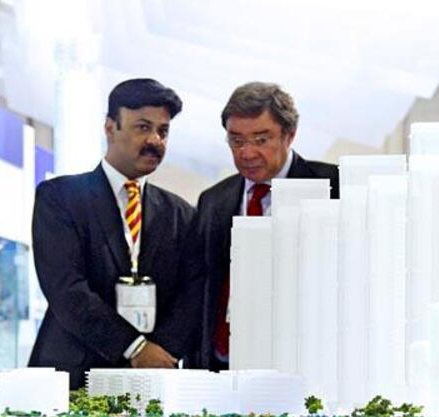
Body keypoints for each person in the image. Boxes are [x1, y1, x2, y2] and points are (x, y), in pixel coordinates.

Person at [29, 78, 204, 389]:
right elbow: (65, 288)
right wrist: (135, 348)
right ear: (110, 128)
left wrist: (159, 354)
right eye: (142, 127)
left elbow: (191, 295)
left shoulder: (182, 214)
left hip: (154, 378)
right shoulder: (60, 198)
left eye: (163, 131)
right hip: (73, 376)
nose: (155, 140)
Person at [196, 82, 339, 370]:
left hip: (306, 362)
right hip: (224, 363)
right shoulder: (213, 200)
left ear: (290, 135)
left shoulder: (333, 186)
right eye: (236, 141)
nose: (247, 153)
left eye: (261, 140)